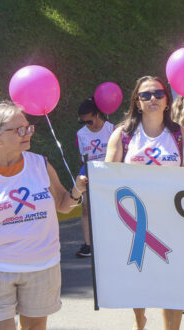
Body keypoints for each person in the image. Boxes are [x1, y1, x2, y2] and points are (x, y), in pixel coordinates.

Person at [0, 101, 88, 329]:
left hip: (42, 264)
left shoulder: (40, 164)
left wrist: (77, 190)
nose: (27, 133)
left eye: (28, 127)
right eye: (19, 130)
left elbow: (63, 204)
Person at [104, 75, 184, 330]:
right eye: (145, 95)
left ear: (167, 100)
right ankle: (139, 321)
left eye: (158, 93)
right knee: (139, 278)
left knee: (173, 282)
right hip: (135, 222)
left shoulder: (180, 135)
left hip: (172, 220)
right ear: (137, 102)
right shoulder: (123, 135)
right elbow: (108, 178)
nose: (152, 98)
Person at [74, 98, 114, 258]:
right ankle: (88, 244)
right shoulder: (81, 134)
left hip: (110, 173)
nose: (87, 124)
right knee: (86, 208)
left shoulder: (112, 129)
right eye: (83, 122)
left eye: (90, 121)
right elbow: (81, 157)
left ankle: (111, 240)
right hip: (90, 173)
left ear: (98, 114)